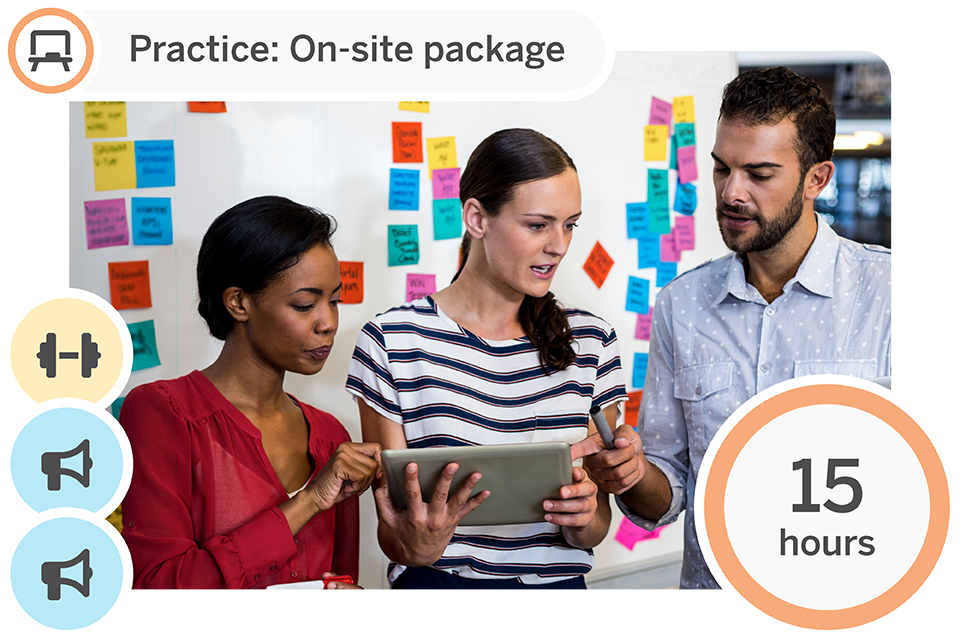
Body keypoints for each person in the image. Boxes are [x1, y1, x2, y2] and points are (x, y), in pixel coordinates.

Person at [579, 67, 892, 596]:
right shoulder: (680, 305)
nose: (731, 192)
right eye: (722, 169)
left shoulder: (894, 293)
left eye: (760, 174)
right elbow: (667, 488)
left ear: (817, 178)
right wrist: (630, 475)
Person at [346, 128, 628, 597]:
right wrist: (421, 543)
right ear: (476, 217)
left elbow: (597, 524)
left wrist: (584, 518)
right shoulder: (392, 341)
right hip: (439, 594)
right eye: (538, 225)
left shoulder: (592, 341)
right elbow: (393, 533)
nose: (558, 245)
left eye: (570, 224)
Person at [119, 196, 381, 597]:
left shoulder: (331, 436)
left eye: (334, 300)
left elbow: (341, 579)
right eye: (305, 304)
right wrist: (309, 500)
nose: (328, 323)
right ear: (239, 302)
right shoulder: (163, 412)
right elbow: (161, 590)